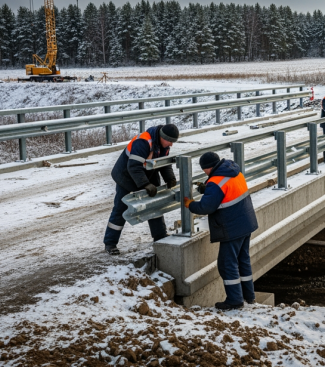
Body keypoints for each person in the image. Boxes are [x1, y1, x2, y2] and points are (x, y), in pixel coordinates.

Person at [183, 152, 258, 310]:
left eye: (205, 170)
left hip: (232, 227)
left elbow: (206, 207)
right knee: (242, 260)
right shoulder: (233, 171)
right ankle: (248, 296)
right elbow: (225, 193)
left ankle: (235, 300)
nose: (205, 173)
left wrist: (190, 204)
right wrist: (206, 189)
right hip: (246, 222)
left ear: (209, 168)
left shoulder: (216, 182)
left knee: (226, 263)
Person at [103, 124, 179, 255]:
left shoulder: (163, 144)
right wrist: (145, 184)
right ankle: (110, 243)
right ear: (162, 137)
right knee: (121, 209)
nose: (171, 145)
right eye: (170, 141)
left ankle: (159, 235)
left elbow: (163, 163)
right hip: (125, 176)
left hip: (146, 174)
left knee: (155, 204)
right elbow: (133, 166)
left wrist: (169, 178)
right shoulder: (143, 142)